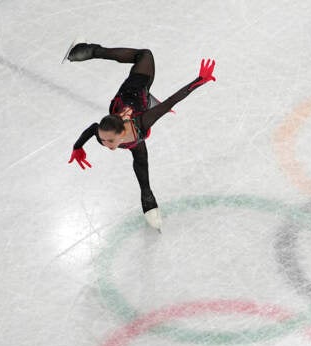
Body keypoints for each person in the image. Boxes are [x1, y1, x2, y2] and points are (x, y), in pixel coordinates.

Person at [66, 43, 216, 230]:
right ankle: (148, 197)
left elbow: (172, 100)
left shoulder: (144, 121)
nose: (105, 144)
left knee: (145, 55)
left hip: (137, 86)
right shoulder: (104, 134)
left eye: (109, 140)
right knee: (140, 156)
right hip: (123, 110)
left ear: (122, 133)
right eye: (103, 140)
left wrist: (199, 80)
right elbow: (93, 129)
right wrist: (78, 146)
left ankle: (95, 50)